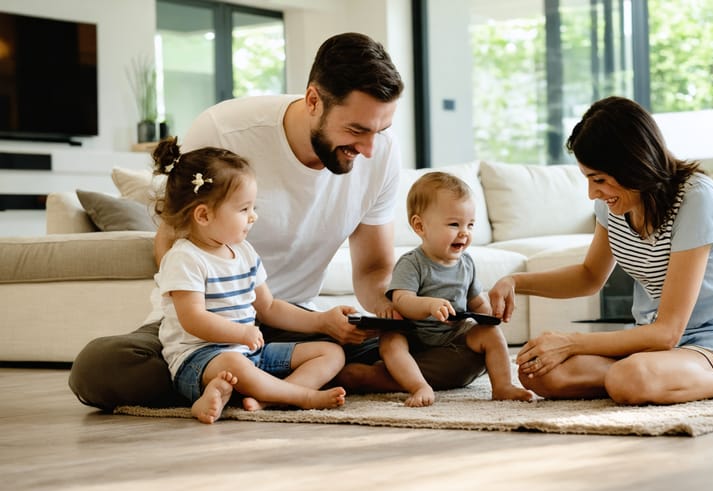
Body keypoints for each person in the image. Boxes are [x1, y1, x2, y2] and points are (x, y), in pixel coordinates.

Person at [69, 32, 485, 411]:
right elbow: (170, 244)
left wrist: (387, 314)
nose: (371, 148)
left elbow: (375, 270)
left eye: (381, 129)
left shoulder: (380, 153)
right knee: (99, 368)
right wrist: (221, 321)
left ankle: (255, 385)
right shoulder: (226, 131)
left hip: (296, 325)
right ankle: (252, 380)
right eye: (357, 129)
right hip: (209, 328)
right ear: (313, 101)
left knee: (470, 349)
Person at [488, 96, 713, 405]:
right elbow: (588, 276)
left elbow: (668, 332)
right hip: (651, 345)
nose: (592, 193)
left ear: (632, 164)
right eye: (588, 179)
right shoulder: (612, 203)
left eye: (599, 179)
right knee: (539, 373)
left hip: (712, 343)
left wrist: (571, 343)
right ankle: (650, 379)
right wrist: (516, 281)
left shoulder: (696, 199)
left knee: (628, 378)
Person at [151, 138, 347, 423]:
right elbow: (192, 319)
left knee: (331, 353)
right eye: (244, 209)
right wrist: (240, 334)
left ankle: (267, 397)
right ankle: (301, 396)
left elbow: (268, 307)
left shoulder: (243, 252)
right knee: (232, 365)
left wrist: (321, 321)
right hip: (199, 358)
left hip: (248, 352)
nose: (253, 217)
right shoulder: (185, 258)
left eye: (252, 207)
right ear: (204, 215)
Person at [381, 172, 533, 406]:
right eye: (454, 224)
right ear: (420, 226)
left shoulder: (466, 263)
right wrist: (429, 305)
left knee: (489, 333)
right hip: (416, 339)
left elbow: (475, 302)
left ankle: (503, 386)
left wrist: (490, 315)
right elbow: (401, 300)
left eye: (470, 225)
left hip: (453, 336)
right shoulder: (412, 263)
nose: (465, 232)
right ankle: (419, 386)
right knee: (391, 341)